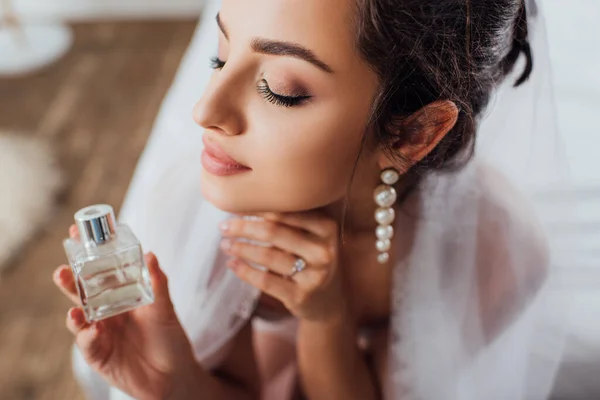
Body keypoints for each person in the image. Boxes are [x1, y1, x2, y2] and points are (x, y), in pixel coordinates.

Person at [53, 0, 569, 399]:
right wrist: (173, 383)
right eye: (220, 55)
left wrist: (326, 320)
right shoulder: (196, 217)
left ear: (414, 132)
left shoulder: (495, 253)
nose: (205, 109)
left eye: (279, 90)